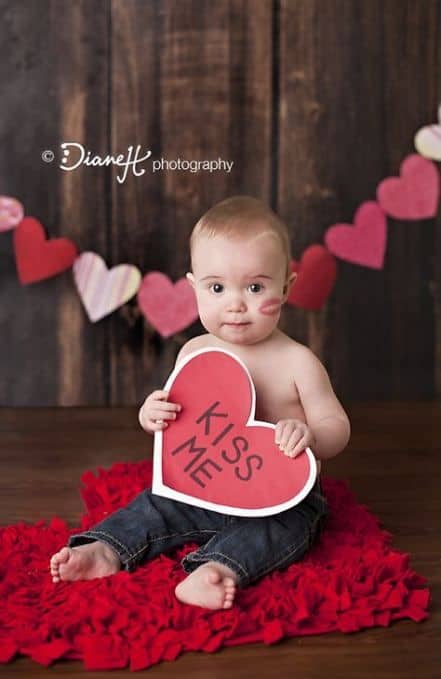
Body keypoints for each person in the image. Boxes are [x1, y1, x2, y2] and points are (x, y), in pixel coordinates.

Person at [50, 196, 351, 610]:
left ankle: (217, 569)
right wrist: (151, 414)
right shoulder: (195, 353)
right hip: (206, 483)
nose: (235, 303)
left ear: (286, 287)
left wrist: (310, 434)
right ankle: (105, 549)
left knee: (287, 529)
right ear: (194, 288)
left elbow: (336, 425)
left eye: (256, 287)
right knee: (155, 505)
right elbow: (181, 418)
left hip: (279, 494)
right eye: (216, 288)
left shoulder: (297, 361)